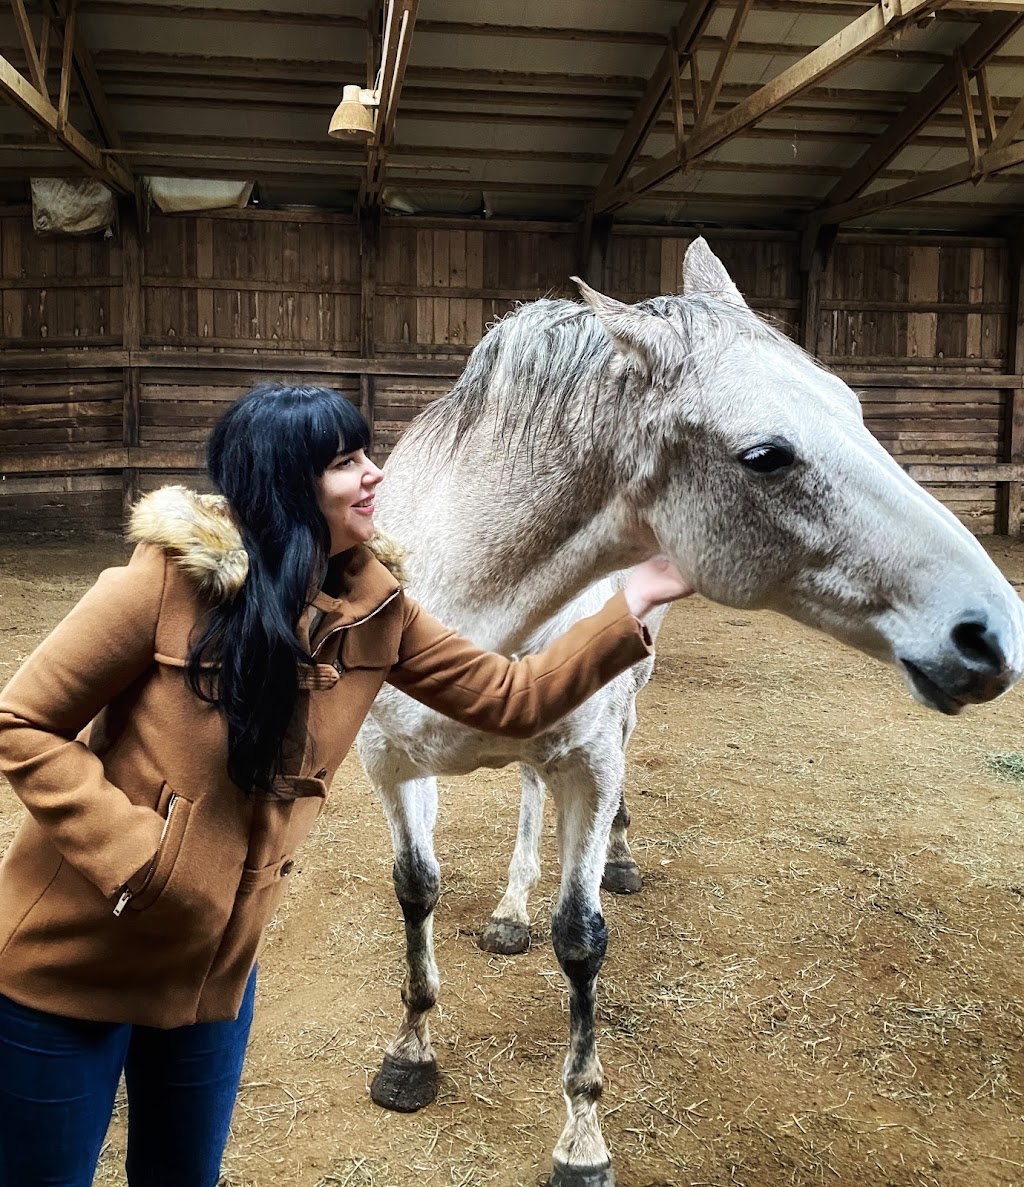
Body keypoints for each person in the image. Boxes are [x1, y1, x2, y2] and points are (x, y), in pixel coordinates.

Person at [0, 383, 693, 1187]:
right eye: (346, 462)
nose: (376, 475)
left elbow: (511, 696)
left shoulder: (378, 610)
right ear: (285, 482)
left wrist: (636, 597)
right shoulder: (161, 584)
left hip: (213, 974)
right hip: (71, 963)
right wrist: (142, 858)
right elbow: (21, 719)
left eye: (368, 455)